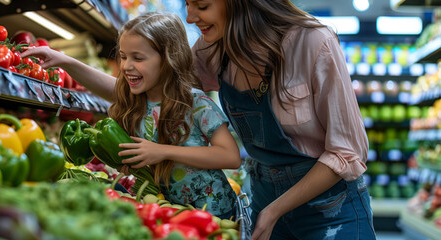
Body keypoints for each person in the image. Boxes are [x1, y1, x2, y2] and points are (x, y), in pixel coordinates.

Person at [25, 1, 374, 239]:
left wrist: (274, 211)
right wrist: (66, 61)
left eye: (202, 5)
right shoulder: (212, 51)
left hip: (330, 205)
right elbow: (150, 88)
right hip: (264, 191)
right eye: (188, 4)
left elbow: (347, 153)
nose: (191, 17)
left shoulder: (314, 44)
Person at [24, 12, 242, 218]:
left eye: (137, 58)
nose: (126, 66)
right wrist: (64, 61)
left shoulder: (196, 103)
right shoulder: (138, 101)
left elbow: (230, 156)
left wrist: (162, 152)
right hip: (173, 210)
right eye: (123, 56)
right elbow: (107, 86)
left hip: (215, 210)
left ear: (168, 59)